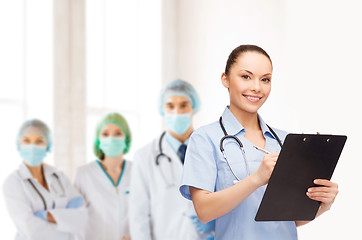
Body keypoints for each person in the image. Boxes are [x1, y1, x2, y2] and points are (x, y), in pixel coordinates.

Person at [179, 45, 339, 239]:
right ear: (225, 79)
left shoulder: (285, 141)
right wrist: (256, 179)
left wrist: (321, 204)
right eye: (246, 76)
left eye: (265, 79)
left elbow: (288, 220)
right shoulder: (205, 139)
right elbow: (204, 211)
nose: (257, 87)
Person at [129, 79, 215, 240]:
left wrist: (216, 222)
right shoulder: (145, 156)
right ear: (162, 109)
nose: (177, 112)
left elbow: (227, 198)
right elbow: (138, 216)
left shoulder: (212, 150)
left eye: (184, 105)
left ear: (193, 108)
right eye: (170, 106)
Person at [3, 119, 87, 240]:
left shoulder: (59, 176)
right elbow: (31, 231)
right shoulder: (13, 183)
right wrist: (65, 224)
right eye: (26, 141)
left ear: (47, 145)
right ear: (19, 145)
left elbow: (81, 218)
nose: (32, 146)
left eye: (39, 141)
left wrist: (45, 216)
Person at [74, 112, 132, 240]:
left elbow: (147, 214)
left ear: (126, 138)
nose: (111, 138)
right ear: (98, 140)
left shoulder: (137, 171)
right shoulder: (84, 174)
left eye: (118, 133)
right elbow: (76, 220)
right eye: (105, 134)